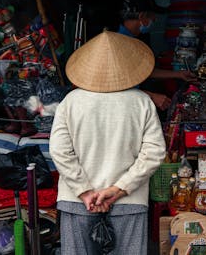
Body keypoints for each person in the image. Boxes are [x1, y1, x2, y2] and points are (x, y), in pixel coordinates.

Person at [50, 31, 166, 254]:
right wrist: (119, 189)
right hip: (129, 202)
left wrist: (84, 191)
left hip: (77, 201)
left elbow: (59, 151)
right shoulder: (142, 102)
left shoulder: (70, 102)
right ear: (128, 68)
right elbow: (154, 153)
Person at [118, 0, 197, 110]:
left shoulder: (130, 39)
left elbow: (143, 71)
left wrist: (178, 74)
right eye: (152, 15)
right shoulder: (119, 44)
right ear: (142, 17)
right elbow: (116, 88)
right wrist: (151, 97)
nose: (154, 19)